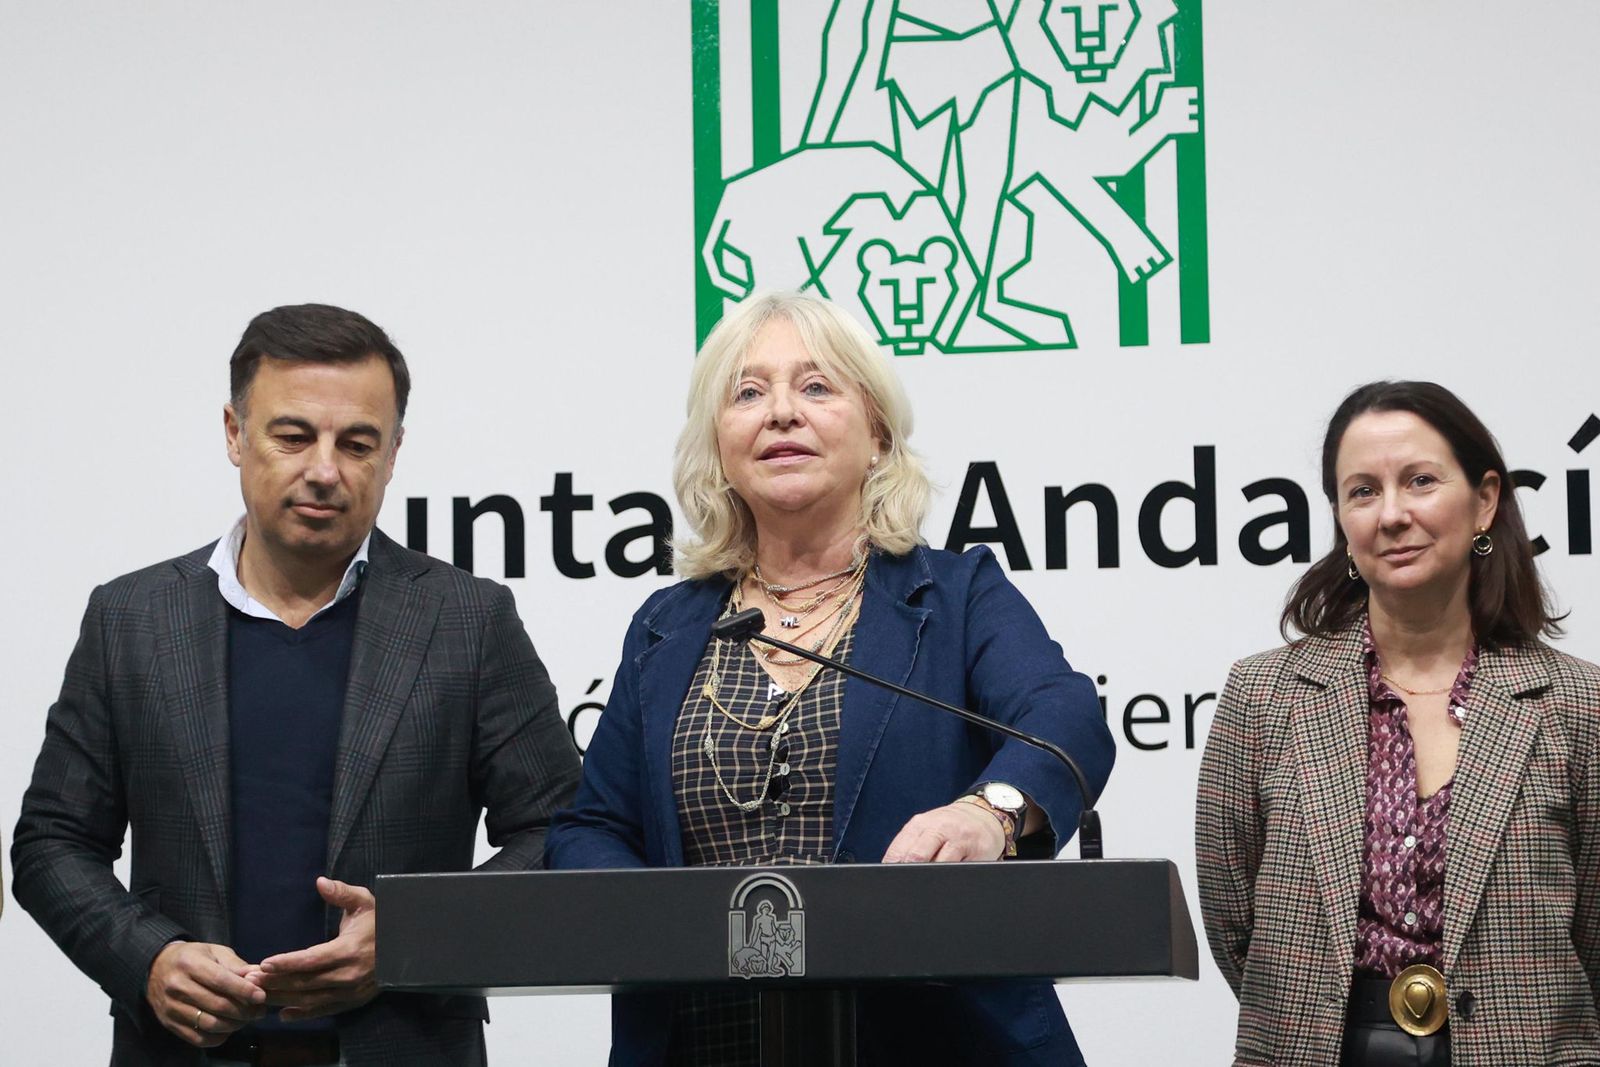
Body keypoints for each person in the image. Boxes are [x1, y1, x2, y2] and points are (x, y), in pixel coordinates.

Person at [546, 290, 1115, 1066]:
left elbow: (1063, 714)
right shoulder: (666, 628)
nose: (781, 412)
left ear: (877, 434)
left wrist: (992, 812)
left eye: (816, 387)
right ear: (719, 444)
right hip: (705, 1043)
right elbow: (593, 828)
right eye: (748, 393)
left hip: (937, 1042)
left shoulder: (954, 595)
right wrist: (655, 915)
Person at [12, 304, 582, 1066]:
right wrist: (148, 959)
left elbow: (563, 832)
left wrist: (415, 932)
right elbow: (52, 844)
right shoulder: (130, 619)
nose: (324, 468)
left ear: (393, 453)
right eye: (293, 435)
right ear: (234, 434)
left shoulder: (468, 620)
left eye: (357, 443)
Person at [1196, 381, 1600, 1067]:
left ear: (1485, 500)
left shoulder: (1578, 702)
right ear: (1340, 519)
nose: (1391, 514)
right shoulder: (1263, 696)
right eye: (1362, 490)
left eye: (1419, 481)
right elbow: (1237, 926)